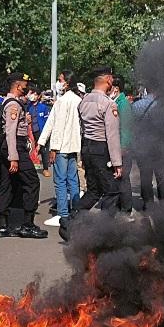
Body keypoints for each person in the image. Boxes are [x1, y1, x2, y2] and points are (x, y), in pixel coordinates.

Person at [62, 67, 122, 241]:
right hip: (101, 149)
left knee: (94, 191)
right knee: (111, 191)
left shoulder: (84, 100)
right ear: (108, 80)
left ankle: (70, 222)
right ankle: (104, 233)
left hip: (87, 147)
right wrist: (117, 163)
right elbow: (112, 135)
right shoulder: (109, 104)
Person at [0, 73, 48, 240]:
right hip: (14, 148)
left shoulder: (11, 103)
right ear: (17, 86)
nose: (27, 89)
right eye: (25, 86)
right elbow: (10, 132)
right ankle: (27, 225)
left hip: (10, 148)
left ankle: (3, 226)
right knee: (32, 181)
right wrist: (14, 157)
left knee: (7, 183)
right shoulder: (13, 106)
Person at [38, 70, 83, 229]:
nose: (58, 83)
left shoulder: (62, 101)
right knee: (73, 180)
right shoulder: (79, 100)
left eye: (60, 80)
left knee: (60, 182)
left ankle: (62, 214)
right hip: (74, 146)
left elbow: (56, 126)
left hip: (62, 147)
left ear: (67, 83)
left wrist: (52, 147)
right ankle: (77, 211)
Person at [131, 91, 164, 208]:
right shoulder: (162, 106)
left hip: (142, 146)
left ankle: (147, 203)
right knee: (162, 175)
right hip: (160, 146)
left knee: (145, 176)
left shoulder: (136, 105)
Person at [111, 75, 136, 217]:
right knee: (119, 179)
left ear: (116, 88)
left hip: (123, 149)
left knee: (123, 179)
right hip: (118, 147)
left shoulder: (123, 104)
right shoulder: (116, 102)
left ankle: (126, 210)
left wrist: (123, 147)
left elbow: (125, 128)